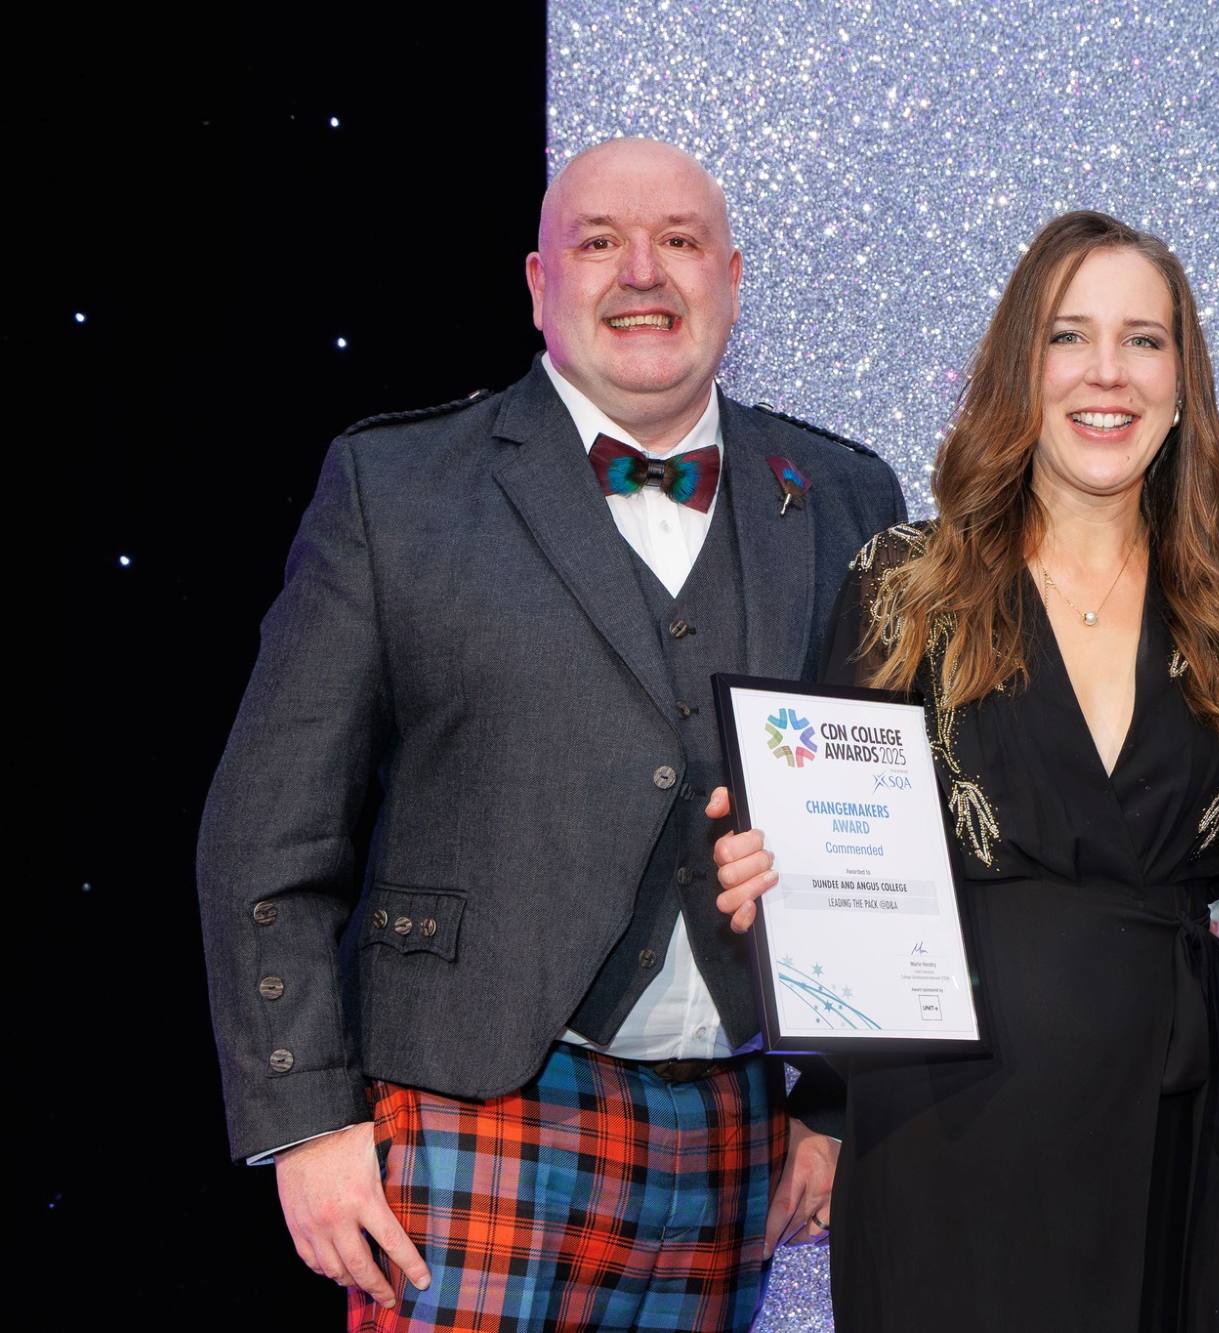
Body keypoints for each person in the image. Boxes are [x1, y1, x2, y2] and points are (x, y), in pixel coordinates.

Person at [195, 137, 904, 1332]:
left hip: (737, 1132)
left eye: (678, 242)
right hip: (470, 1116)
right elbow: (267, 833)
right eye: (598, 242)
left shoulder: (845, 496)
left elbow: (882, 839)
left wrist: (833, 1102)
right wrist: (307, 1122)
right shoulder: (397, 486)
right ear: (536, 282)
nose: (642, 273)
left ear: (731, 278)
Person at [710, 210, 1219, 1330]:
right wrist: (769, 868)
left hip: (1163, 1118)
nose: (1106, 374)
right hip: (944, 1122)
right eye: (1069, 336)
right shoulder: (910, 583)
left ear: (1182, 378)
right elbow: (828, 854)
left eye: (1144, 340)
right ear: (1019, 366)